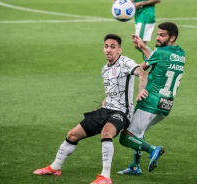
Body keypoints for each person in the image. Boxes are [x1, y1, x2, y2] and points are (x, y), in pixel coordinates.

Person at [33, 34, 148, 184]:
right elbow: (110, 92)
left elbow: (142, 72)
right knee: (73, 135)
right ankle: (55, 167)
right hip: (105, 110)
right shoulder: (105, 70)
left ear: (119, 50)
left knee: (106, 133)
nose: (108, 50)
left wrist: (140, 90)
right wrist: (100, 108)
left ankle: (105, 177)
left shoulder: (125, 62)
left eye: (113, 47)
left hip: (122, 112)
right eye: (106, 46)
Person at [117, 22, 186, 175]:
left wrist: (122, 71)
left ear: (172, 37)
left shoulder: (160, 53)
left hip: (149, 101)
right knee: (138, 133)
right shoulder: (180, 53)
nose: (158, 38)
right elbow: (157, 59)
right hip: (165, 105)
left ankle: (153, 149)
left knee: (126, 137)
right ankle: (135, 167)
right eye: (157, 34)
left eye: (162, 35)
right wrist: (143, 46)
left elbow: (141, 68)